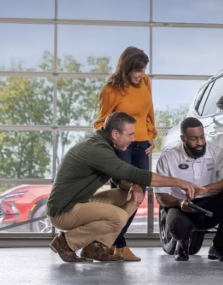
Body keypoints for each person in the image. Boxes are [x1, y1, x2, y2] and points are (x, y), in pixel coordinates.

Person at [47, 111, 204, 263]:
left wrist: (134, 186)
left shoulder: (105, 145)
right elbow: (135, 173)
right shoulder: (98, 150)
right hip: (63, 211)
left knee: (130, 196)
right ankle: (66, 242)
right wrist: (179, 182)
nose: (133, 139)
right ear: (115, 134)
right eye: (130, 135)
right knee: (119, 217)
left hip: (79, 203)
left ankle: (96, 247)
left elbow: (122, 179)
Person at [92, 46, 157, 261]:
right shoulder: (111, 90)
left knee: (139, 196)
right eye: (137, 70)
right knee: (124, 194)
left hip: (142, 147)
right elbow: (101, 123)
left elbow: (149, 112)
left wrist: (150, 136)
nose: (141, 74)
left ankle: (111, 243)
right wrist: (114, 145)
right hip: (123, 147)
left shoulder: (145, 82)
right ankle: (119, 245)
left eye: (144, 69)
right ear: (126, 67)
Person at [154, 117, 223, 262]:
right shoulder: (167, 158)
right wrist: (180, 203)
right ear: (183, 138)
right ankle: (182, 245)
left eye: (202, 137)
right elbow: (161, 197)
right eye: (194, 138)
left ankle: (218, 247)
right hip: (182, 207)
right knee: (177, 224)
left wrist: (205, 189)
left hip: (210, 206)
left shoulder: (216, 152)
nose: (200, 143)